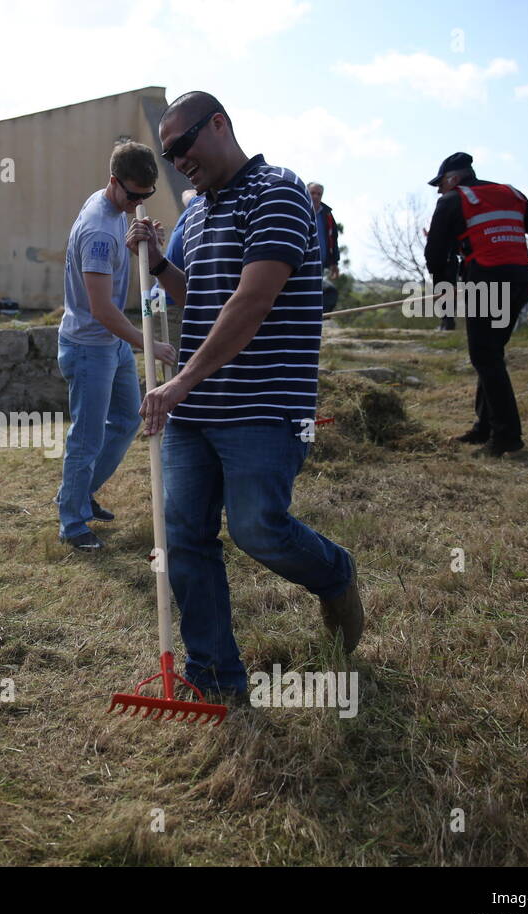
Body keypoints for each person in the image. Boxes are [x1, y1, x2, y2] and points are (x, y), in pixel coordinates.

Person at [127, 91, 362, 704]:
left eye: (183, 146)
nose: (178, 162)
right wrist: (157, 261)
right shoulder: (196, 214)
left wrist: (177, 381)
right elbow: (195, 295)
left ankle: (334, 575)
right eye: (168, 154)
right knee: (184, 538)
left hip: (263, 403)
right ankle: (214, 677)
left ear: (221, 125)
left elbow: (250, 303)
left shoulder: (278, 193)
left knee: (258, 527)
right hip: (196, 411)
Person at [56, 141, 176, 552]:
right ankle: (71, 522)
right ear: (113, 183)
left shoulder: (112, 206)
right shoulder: (97, 232)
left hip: (112, 343)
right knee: (86, 439)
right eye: (133, 195)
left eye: (146, 196)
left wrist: (143, 243)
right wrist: (150, 345)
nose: (139, 203)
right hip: (91, 345)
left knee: (126, 421)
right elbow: (103, 309)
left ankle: (79, 493)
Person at [423, 151, 528, 455]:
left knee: (485, 356)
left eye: (441, 184)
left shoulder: (452, 200)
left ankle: (507, 436)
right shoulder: (510, 192)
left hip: (488, 282)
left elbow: (435, 254)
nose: (439, 190)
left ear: (453, 178)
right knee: (492, 354)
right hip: (521, 283)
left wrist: (443, 289)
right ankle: (485, 427)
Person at [308, 182, 341, 313]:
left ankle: (316, 317)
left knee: (319, 292)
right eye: (312, 193)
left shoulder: (326, 214)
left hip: (320, 261)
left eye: (319, 194)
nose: (316, 196)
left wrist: (334, 262)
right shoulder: (300, 209)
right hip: (303, 260)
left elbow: (333, 238)